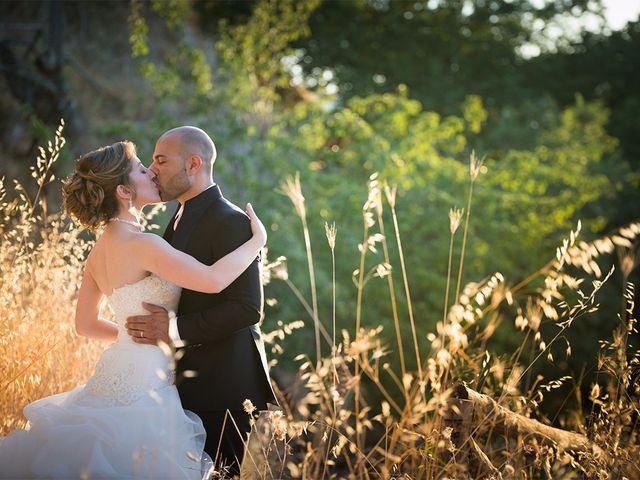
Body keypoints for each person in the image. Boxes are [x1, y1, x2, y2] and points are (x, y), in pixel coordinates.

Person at [0, 139, 266, 479]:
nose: (151, 172)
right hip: (145, 383)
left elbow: (85, 325)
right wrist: (257, 241)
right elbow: (214, 281)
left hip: (111, 374)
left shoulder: (99, 252)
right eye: (142, 169)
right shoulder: (145, 243)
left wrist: (130, 335)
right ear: (125, 193)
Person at [124, 126, 277, 476]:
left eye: (161, 160)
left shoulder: (231, 221)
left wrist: (172, 329)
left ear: (193, 164)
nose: (153, 168)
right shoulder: (178, 217)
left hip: (223, 387)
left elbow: (247, 307)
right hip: (183, 384)